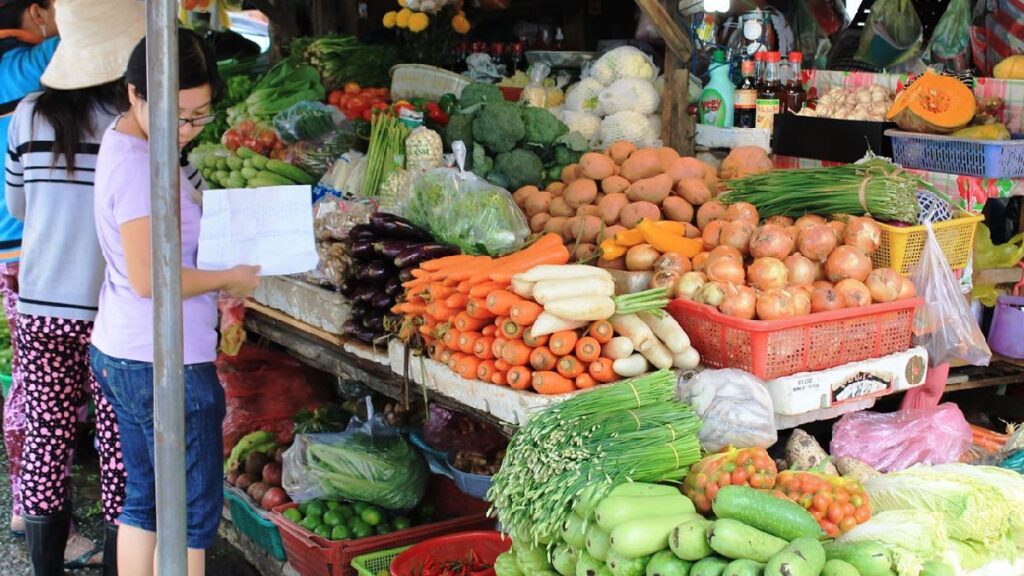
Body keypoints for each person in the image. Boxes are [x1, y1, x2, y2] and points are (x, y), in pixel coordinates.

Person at [91, 29, 261, 576]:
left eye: (199, 115)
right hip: (162, 361)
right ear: (135, 93)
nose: (187, 130)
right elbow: (150, 278)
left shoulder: (127, 140)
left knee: (144, 499)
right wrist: (227, 276)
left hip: (126, 348)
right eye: (177, 116)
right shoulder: (141, 167)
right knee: (190, 513)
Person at [5, 1, 146, 574]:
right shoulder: (133, 120)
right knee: (118, 444)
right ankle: (121, 564)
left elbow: (17, 205)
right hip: (111, 310)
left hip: (41, 307)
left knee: (46, 436)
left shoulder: (29, 113)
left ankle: (45, 569)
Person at [0, 0, 56, 540]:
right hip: (22, 247)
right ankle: (28, 509)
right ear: (37, 12)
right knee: (35, 389)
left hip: (12, 246)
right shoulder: (29, 63)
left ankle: (31, 504)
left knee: (33, 383)